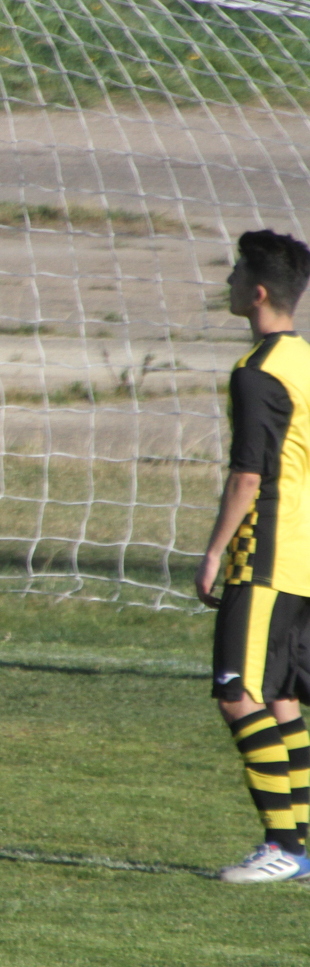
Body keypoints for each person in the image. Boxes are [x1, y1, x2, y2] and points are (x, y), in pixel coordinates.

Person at [195, 230, 310, 884]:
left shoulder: (257, 372)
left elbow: (248, 475)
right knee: (282, 695)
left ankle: (283, 847)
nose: (229, 281)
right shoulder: (305, 361)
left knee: (238, 694)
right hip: (304, 553)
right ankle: (300, 847)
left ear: (258, 292)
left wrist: (215, 551)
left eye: (237, 272)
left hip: (264, 554)